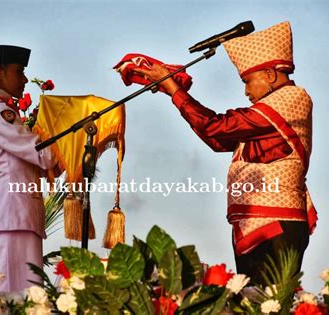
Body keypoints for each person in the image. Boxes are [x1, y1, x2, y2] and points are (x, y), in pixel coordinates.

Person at [134, 21, 317, 284]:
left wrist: (174, 90)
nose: (246, 91)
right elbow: (216, 138)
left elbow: (216, 127)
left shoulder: (291, 98)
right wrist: (174, 93)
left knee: (270, 306)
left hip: (276, 222)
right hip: (256, 224)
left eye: (248, 81)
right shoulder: (268, 114)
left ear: (270, 75)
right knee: (254, 305)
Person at [0, 45, 57, 292]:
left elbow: (36, 163)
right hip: (11, 216)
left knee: (28, 296)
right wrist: (66, 143)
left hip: (19, 215)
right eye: (19, 71)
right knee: (10, 295)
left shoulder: (6, 112)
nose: (24, 80)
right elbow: (42, 154)